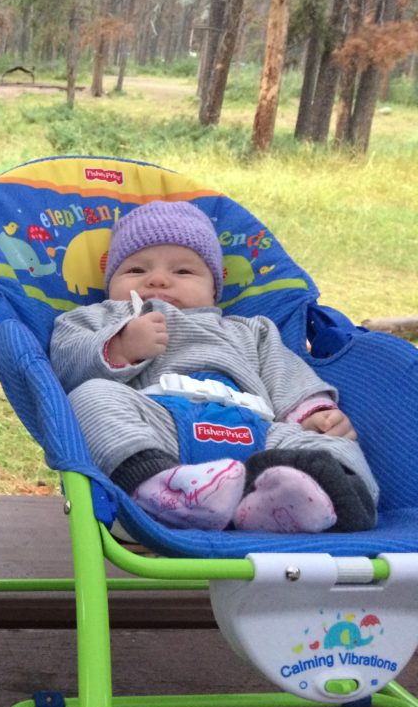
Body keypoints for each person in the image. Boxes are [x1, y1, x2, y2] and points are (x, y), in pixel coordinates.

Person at [49, 200, 376, 534]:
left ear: (214, 285)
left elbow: (285, 373)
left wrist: (311, 414)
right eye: (136, 270)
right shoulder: (101, 319)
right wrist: (119, 345)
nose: (158, 280)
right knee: (90, 397)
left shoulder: (250, 330)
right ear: (111, 279)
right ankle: (161, 491)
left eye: (183, 271)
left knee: (337, 444)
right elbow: (64, 365)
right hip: (161, 428)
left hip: (256, 431)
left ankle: (290, 502)